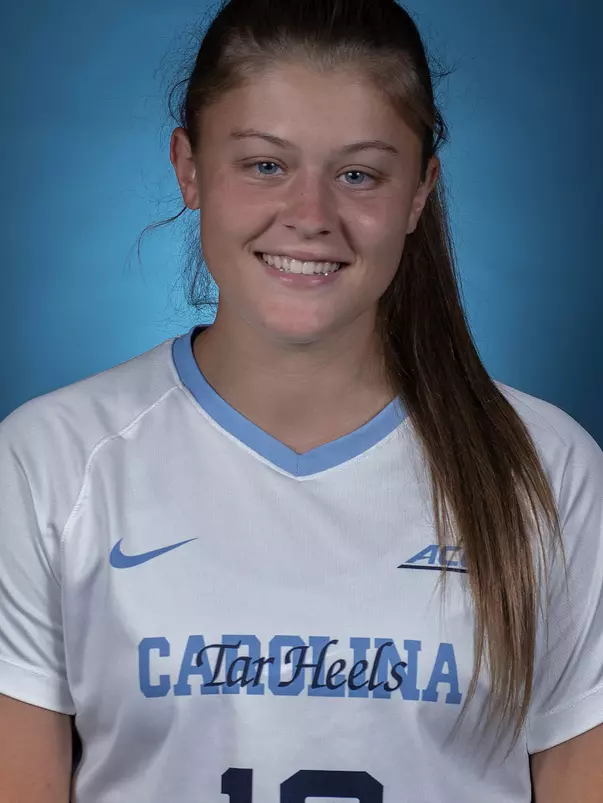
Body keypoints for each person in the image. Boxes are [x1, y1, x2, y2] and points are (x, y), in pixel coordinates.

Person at [1, 0, 602, 800]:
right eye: (264, 165)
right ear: (188, 167)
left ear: (419, 192)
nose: (311, 217)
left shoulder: (544, 465)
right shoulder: (51, 460)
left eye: (358, 174)